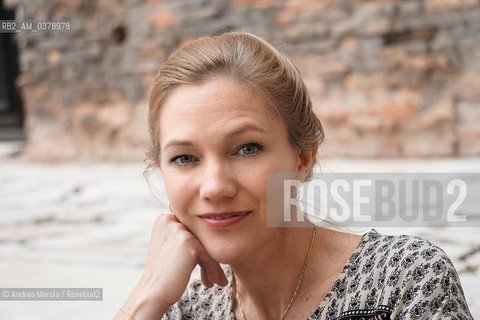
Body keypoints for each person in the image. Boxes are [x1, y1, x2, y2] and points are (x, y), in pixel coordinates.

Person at [113, 32, 474, 320]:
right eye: (185, 158)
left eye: (247, 148)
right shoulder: (185, 311)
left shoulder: (404, 281)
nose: (215, 187)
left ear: (303, 155)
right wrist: (146, 297)